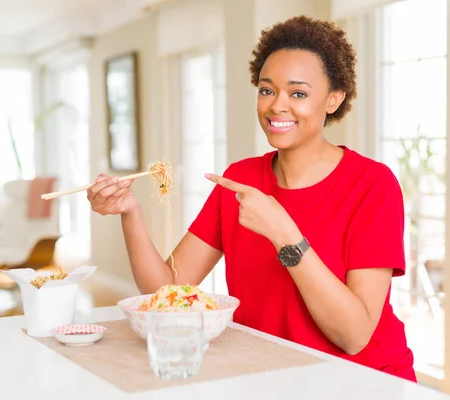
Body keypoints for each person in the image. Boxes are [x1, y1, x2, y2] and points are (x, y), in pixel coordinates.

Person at [87, 15, 416, 382]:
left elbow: (353, 337)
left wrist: (285, 234)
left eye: (299, 93)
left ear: (333, 99)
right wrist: (130, 212)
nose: (277, 106)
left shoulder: (371, 184)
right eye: (266, 89)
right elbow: (165, 295)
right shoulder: (240, 180)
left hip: (360, 380)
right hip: (265, 374)